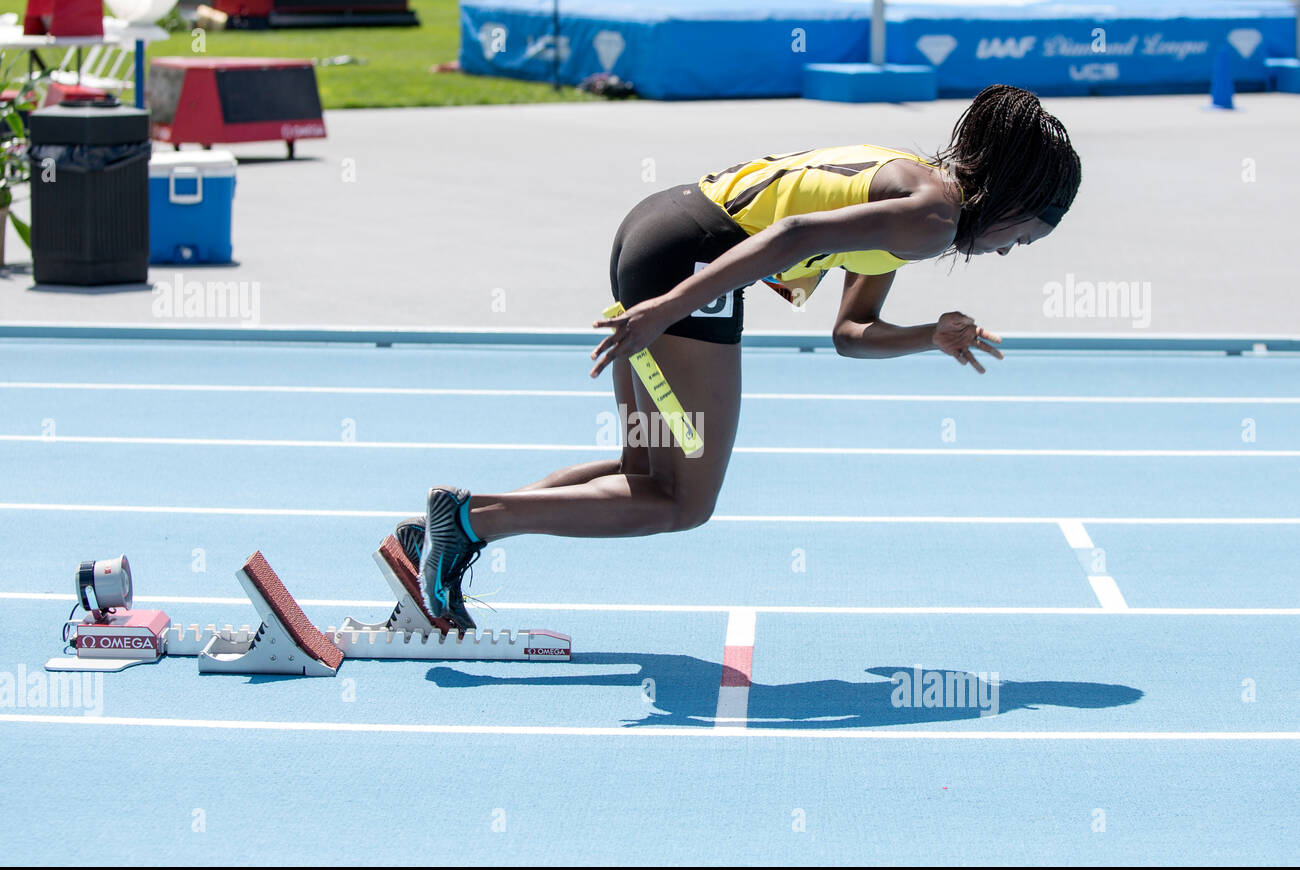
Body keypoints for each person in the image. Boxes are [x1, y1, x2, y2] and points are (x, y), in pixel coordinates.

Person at [404, 84, 1082, 628]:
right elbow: (790, 235)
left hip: (660, 227)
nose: (1014, 249)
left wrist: (927, 334)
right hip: (689, 260)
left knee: (647, 467)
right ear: (1018, 201)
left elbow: (850, 333)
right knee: (682, 501)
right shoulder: (932, 219)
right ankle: (468, 522)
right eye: (1028, 236)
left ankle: (439, 534)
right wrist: (668, 308)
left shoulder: (919, 193)